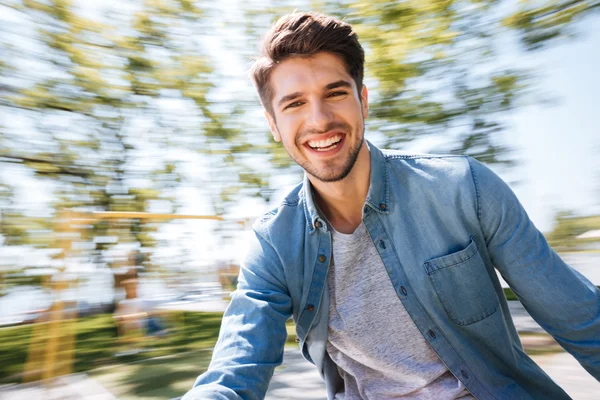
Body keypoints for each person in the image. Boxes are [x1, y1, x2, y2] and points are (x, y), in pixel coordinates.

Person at [183, 12, 600, 400]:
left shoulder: (463, 189)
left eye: (335, 93)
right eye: (294, 104)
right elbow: (234, 372)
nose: (319, 119)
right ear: (273, 124)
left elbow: (579, 318)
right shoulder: (275, 244)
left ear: (362, 101)